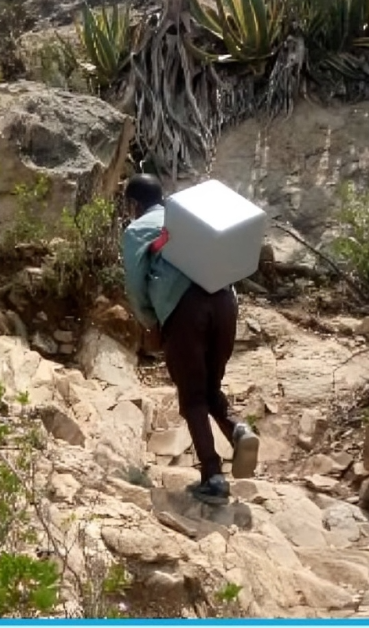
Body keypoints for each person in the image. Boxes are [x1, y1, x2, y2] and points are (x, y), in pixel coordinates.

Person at [121, 173, 260, 504]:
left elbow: (136, 285)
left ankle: (213, 477)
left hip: (185, 309)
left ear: (134, 205)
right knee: (209, 388)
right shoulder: (188, 219)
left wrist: (150, 321)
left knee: (192, 397)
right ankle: (239, 430)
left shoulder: (138, 229)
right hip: (225, 302)